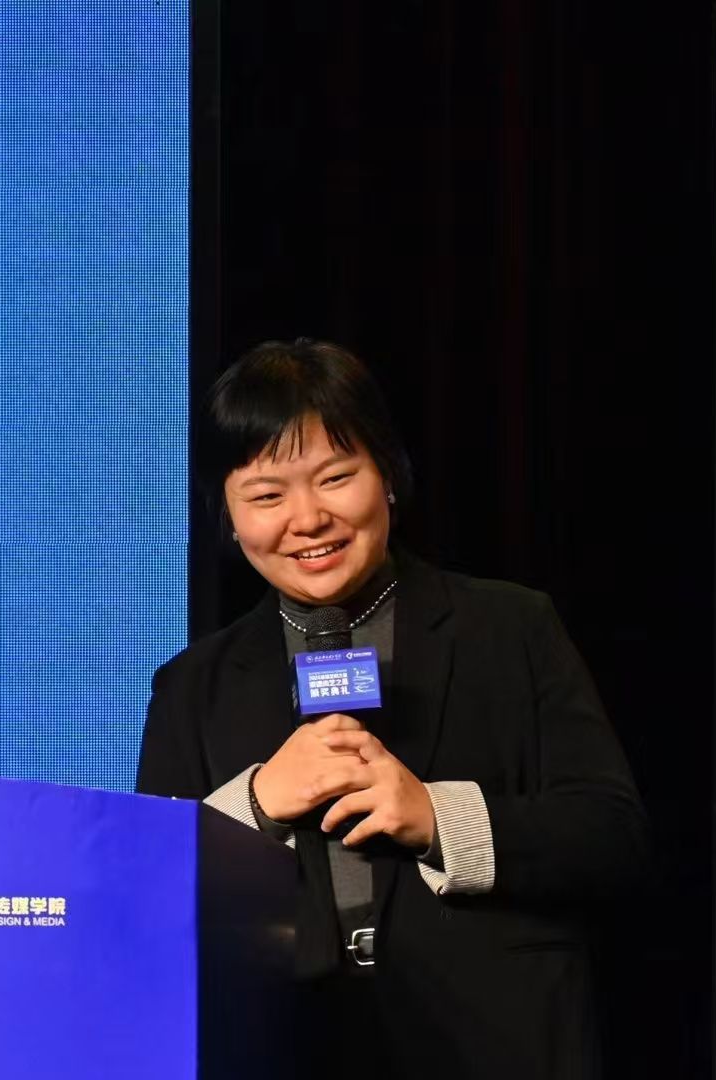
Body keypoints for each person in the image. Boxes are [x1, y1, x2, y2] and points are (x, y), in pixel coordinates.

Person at [136, 339, 648, 1079]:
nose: (308, 519)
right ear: (229, 515)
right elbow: (146, 897)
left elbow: (612, 839)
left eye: (336, 478)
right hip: (280, 1049)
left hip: (495, 1045)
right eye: (267, 496)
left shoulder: (511, 629)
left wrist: (438, 818)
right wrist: (256, 802)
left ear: (389, 476)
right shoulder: (192, 685)